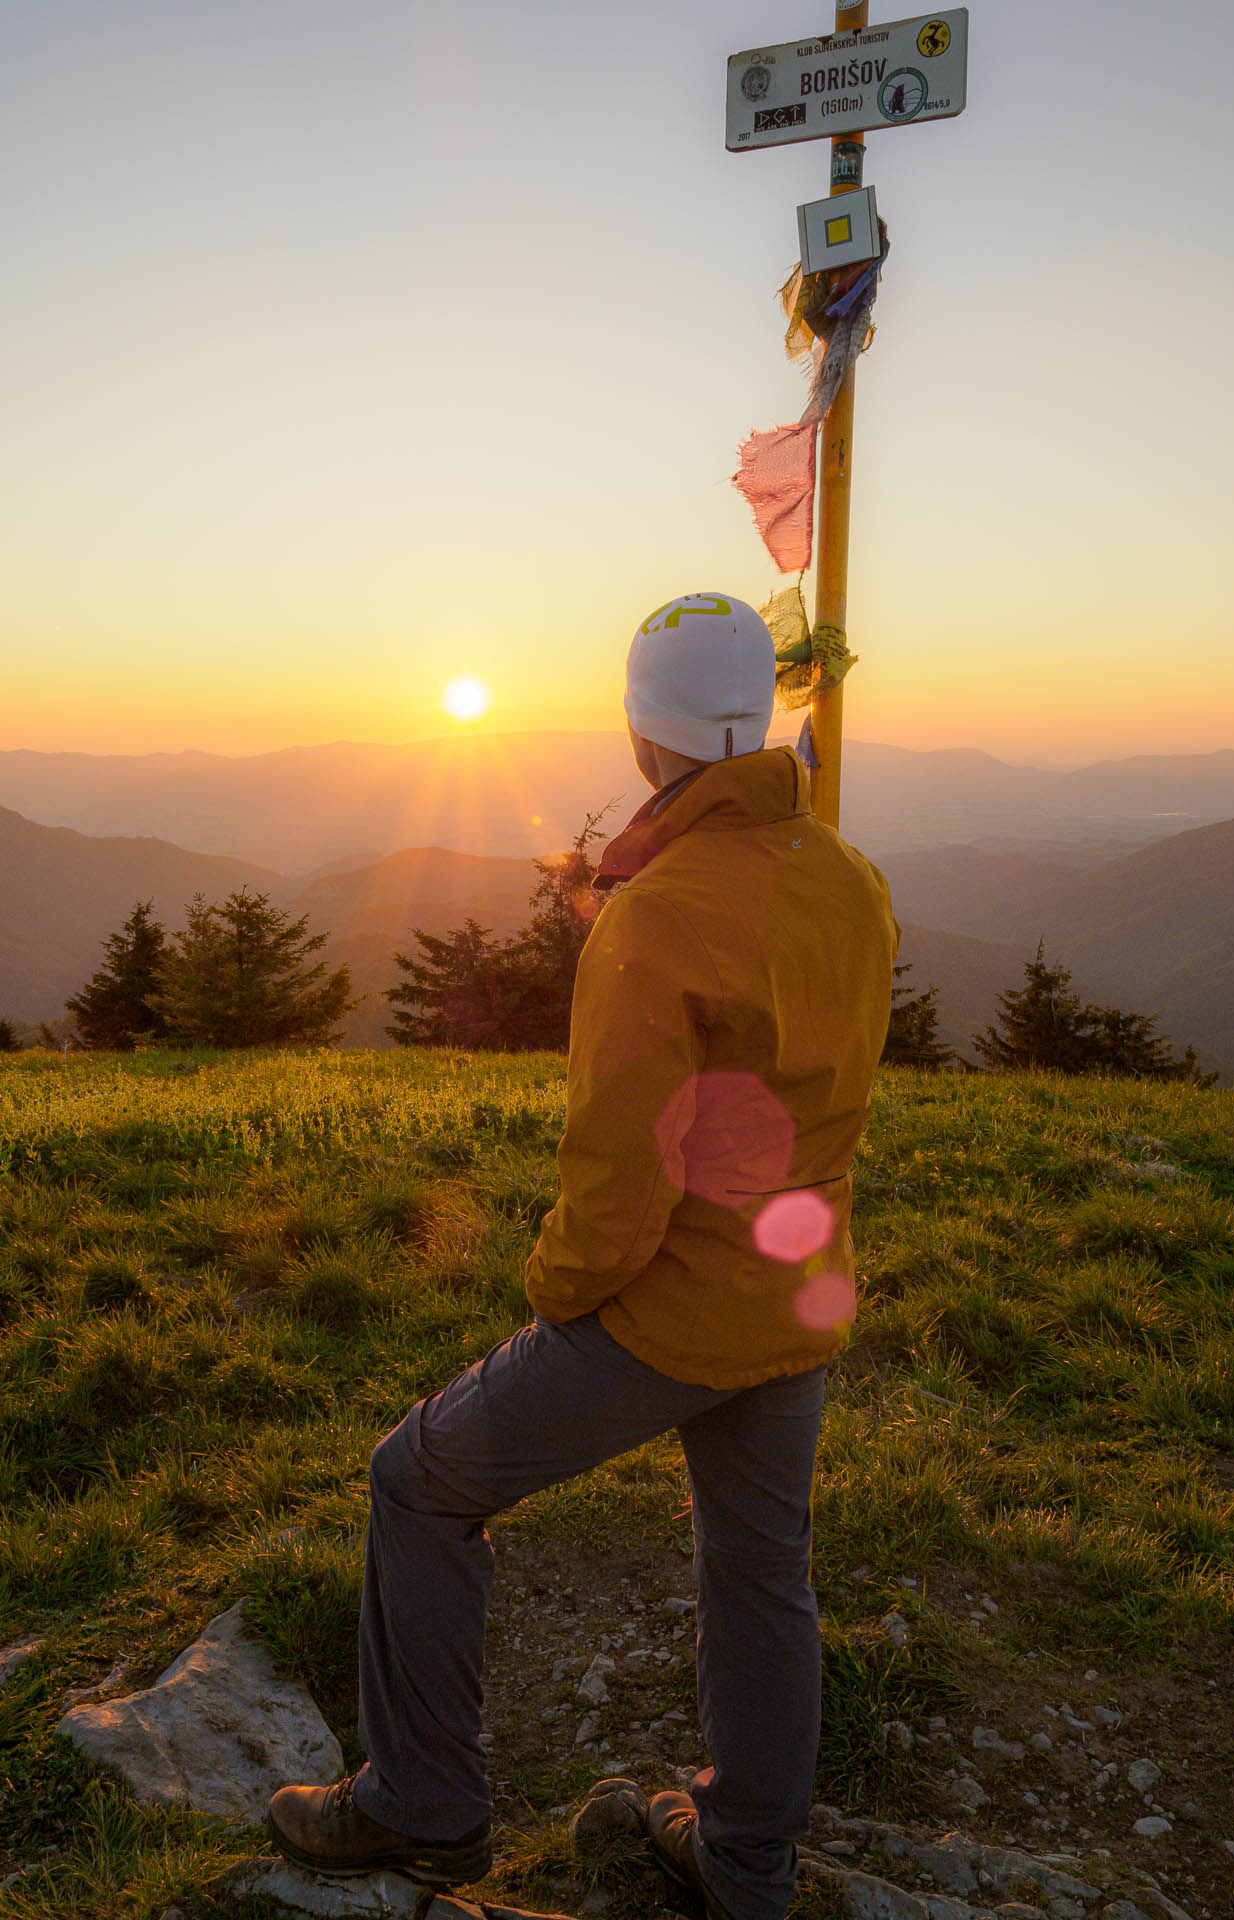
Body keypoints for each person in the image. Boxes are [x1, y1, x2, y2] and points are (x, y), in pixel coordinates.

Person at [267, 591, 900, 1920]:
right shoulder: (850, 880)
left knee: (419, 1480)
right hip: (800, 1292)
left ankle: (423, 1805)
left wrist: (553, 1298)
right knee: (760, 1567)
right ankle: (748, 1866)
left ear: (637, 733)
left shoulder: (656, 915)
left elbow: (619, 1181)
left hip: (668, 1318)